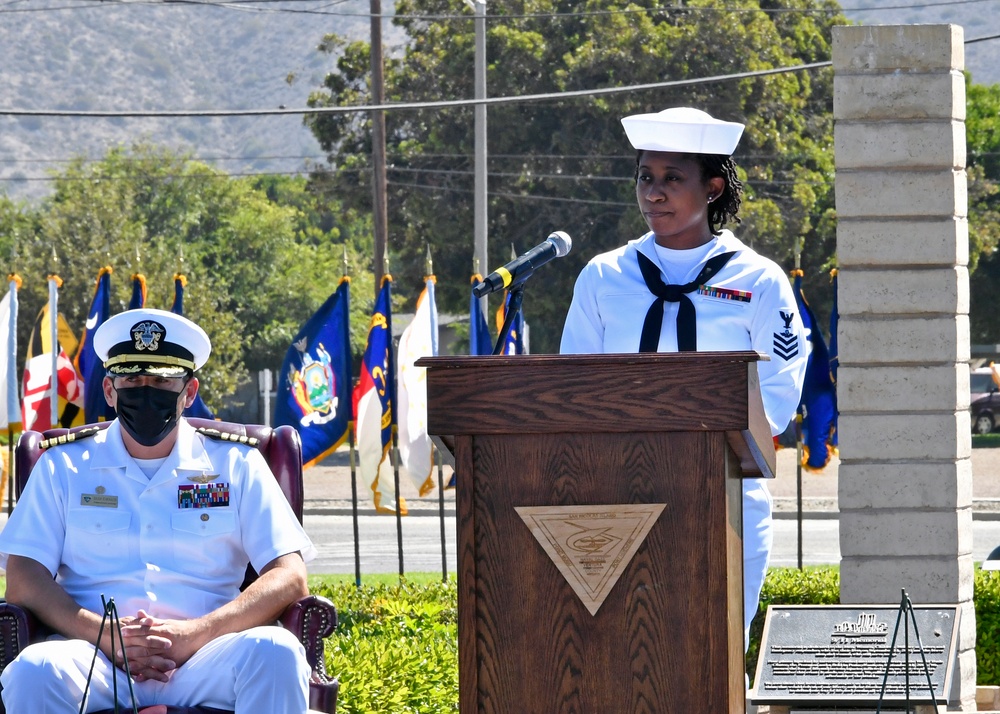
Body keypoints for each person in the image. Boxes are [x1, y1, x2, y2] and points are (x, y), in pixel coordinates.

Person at [560, 107, 809, 643]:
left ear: (714, 187)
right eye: (646, 178)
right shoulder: (604, 275)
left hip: (726, 500)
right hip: (617, 495)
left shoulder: (759, 281)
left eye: (673, 179)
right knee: (622, 652)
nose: (654, 193)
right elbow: (573, 389)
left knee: (711, 653)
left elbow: (777, 403)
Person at [0, 308, 317, 713]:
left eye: (163, 379)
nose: (146, 390)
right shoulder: (63, 465)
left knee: (276, 651)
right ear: (111, 391)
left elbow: (289, 576)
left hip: (207, 656)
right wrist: (106, 635)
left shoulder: (236, 463)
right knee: (36, 669)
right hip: (95, 657)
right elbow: (24, 578)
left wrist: (195, 634)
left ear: (189, 390)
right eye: (132, 378)